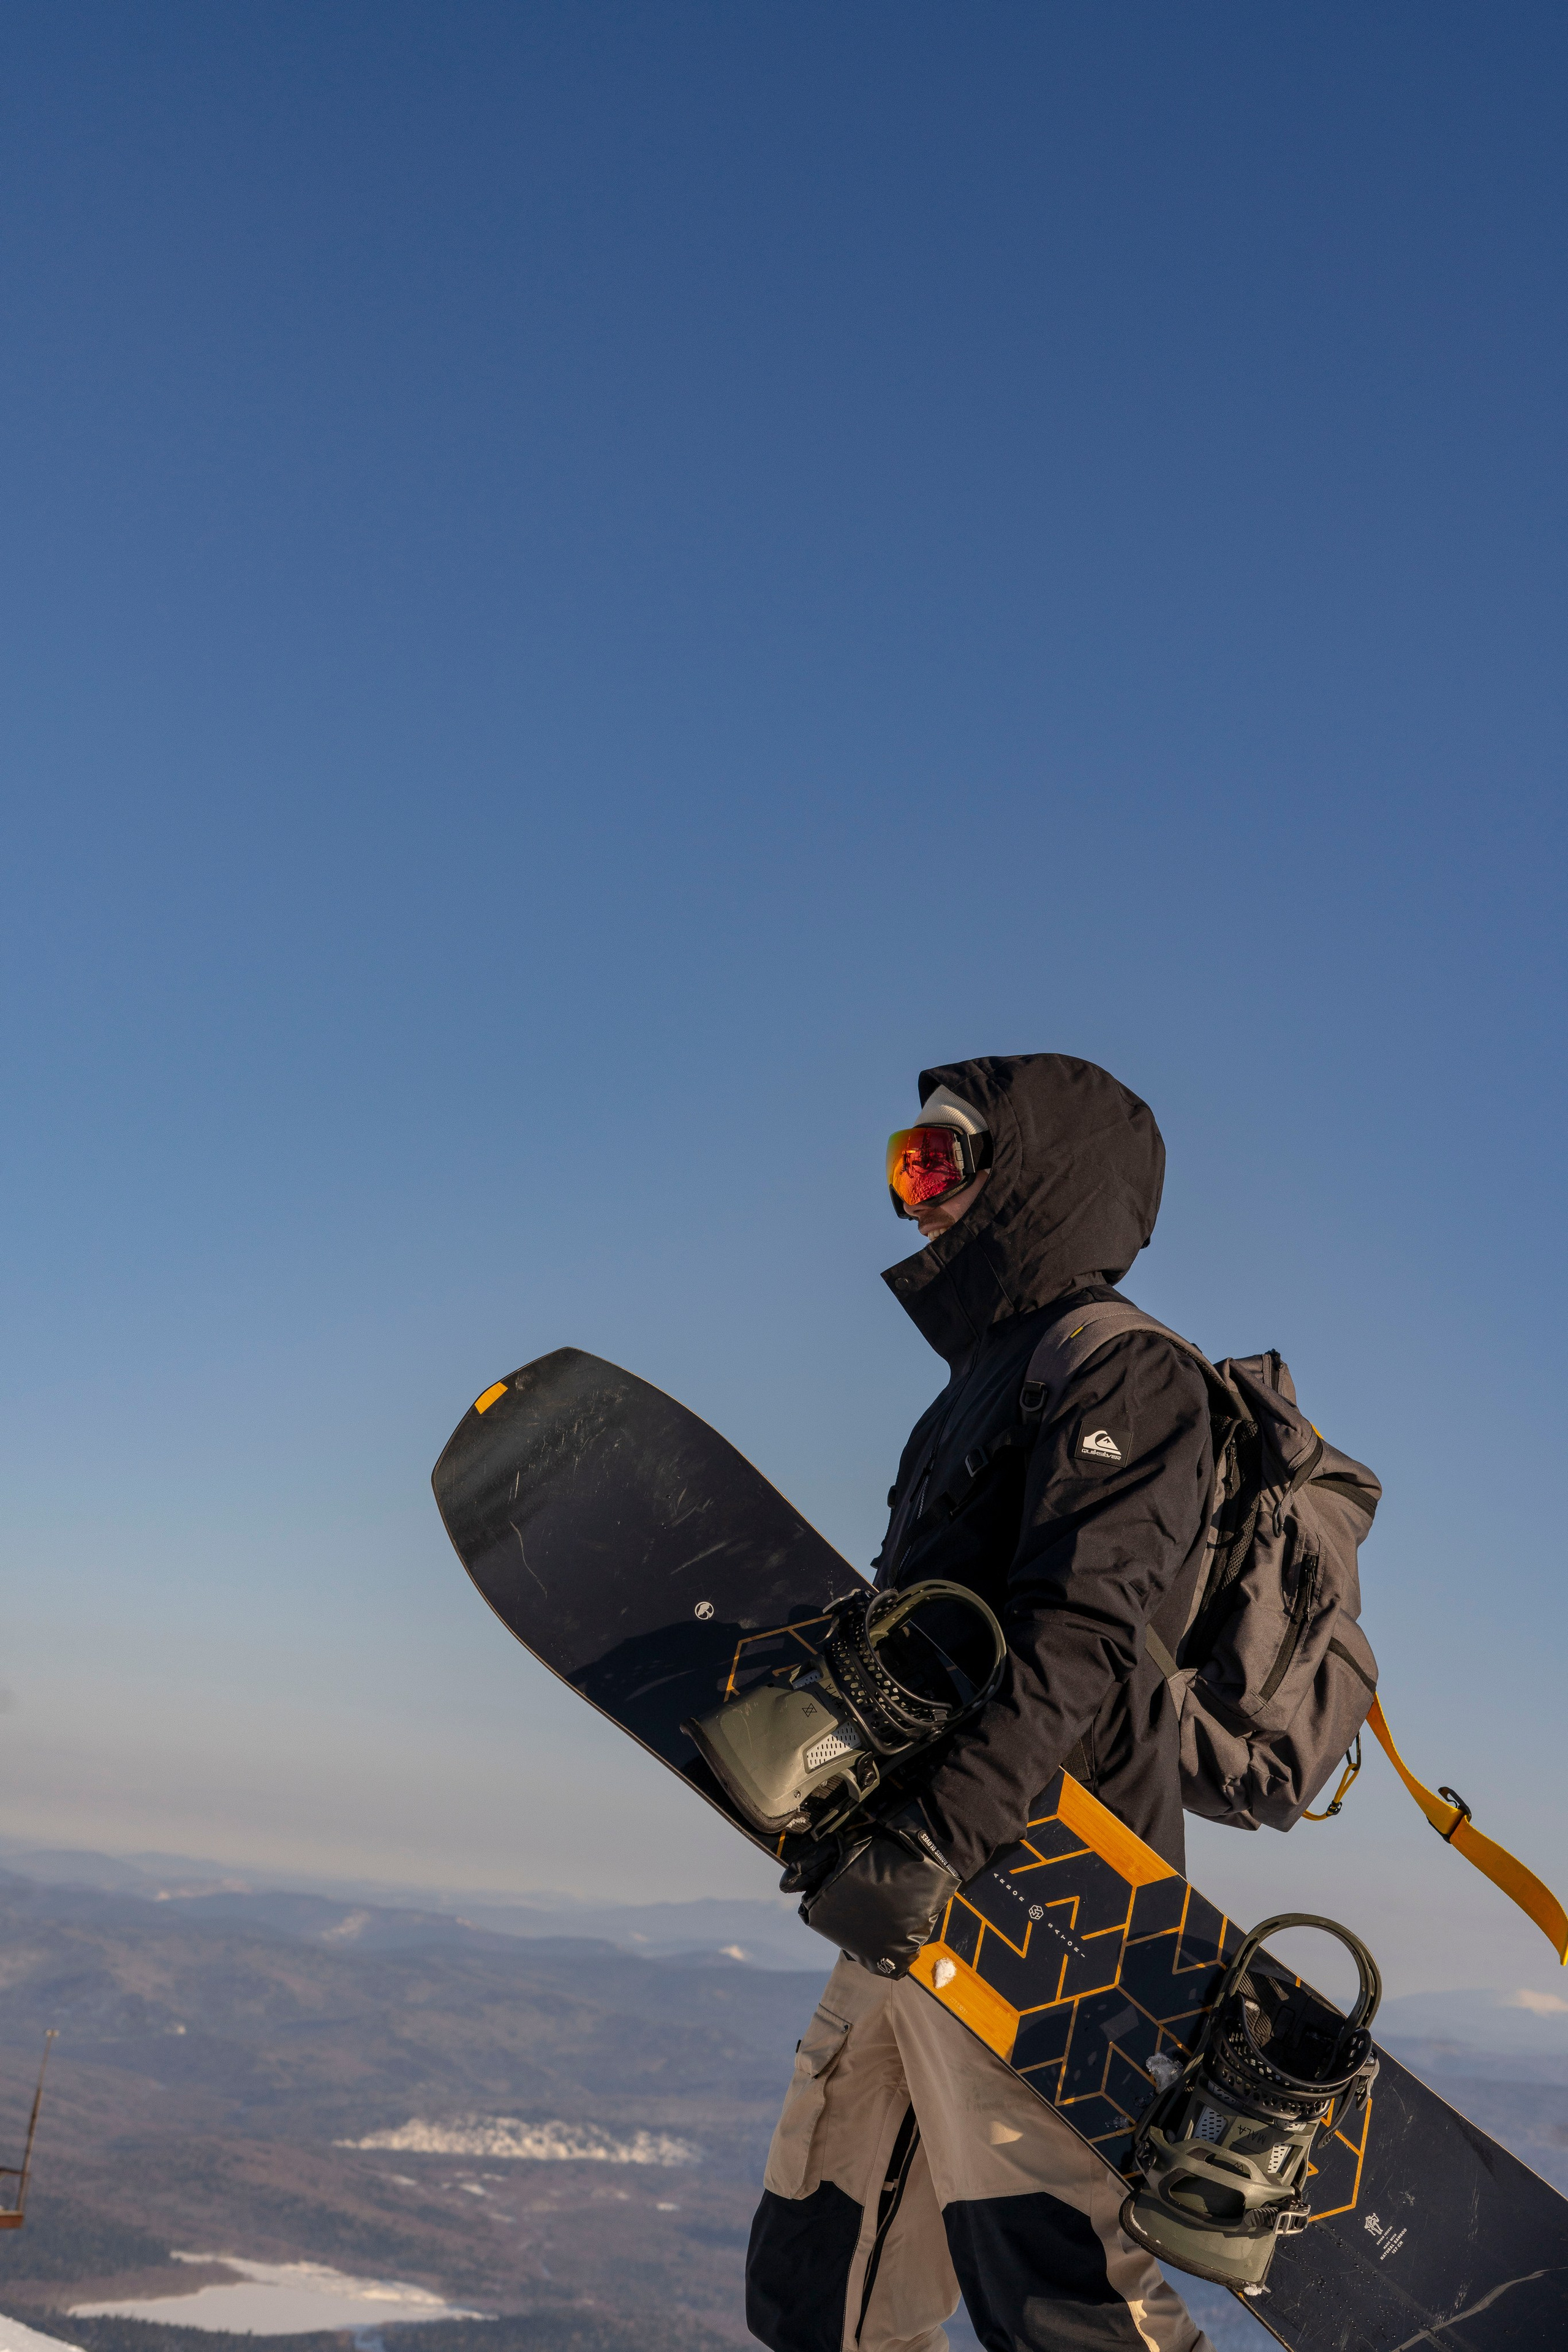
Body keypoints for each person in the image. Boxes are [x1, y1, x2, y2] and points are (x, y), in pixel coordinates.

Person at [745, 1054, 1216, 2352]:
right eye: (905, 1165)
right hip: (914, 1884)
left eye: (940, 1162)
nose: (915, 1199)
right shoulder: (976, 1385)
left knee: (1059, 2292)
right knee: (819, 2268)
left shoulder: (1130, 1375)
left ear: (1037, 1180)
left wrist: (937, 1838)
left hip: (1043, 1902)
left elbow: (1081, 1637)